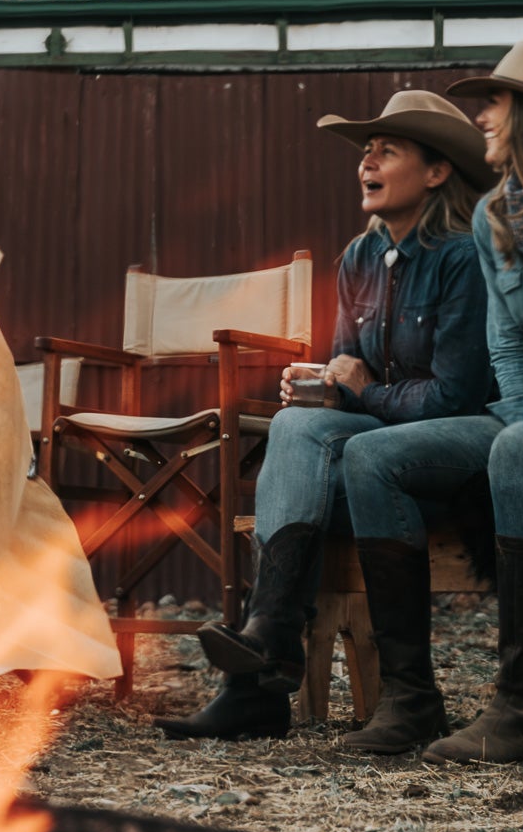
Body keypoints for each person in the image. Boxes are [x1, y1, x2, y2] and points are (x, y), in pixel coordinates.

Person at [154, 92, 496, 741]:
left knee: (319, 457)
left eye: (387, 150)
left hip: (449, 457)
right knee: (294, 425)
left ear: (436, 171)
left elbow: (456, 398)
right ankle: (267, 647)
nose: (367, 161)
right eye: (366, 150)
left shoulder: (463, 259)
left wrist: (362, 389)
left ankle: (263, 672)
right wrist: (320, 386)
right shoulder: (359, 258)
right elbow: (347, 374)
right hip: (368, 449)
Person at [341, 42, 523, 763]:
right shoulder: (492, 219)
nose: (482, 116)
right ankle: (409, 699)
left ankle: (520, 710)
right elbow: (508, 350)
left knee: (522, 450)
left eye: (497, 102)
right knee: (371, 456)